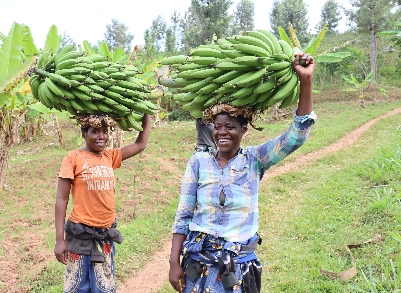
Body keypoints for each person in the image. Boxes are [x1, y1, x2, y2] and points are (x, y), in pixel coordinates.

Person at [169, 52, 317, 293]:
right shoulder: (199, 162)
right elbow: (183, 216)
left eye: (230, 127)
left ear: (243, 129)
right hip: (199, 263)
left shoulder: (255, 160)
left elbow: (296, 137)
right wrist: (173, 262)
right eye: (217, 127)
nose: (222, 133)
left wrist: (306, 81)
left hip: (236, 267)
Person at [54, 113, 151, 293]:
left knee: (103, 288)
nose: (101, 137)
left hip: (104, 235)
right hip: (80, 236)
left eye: (105, 132)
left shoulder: (110, 156)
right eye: (95, 131)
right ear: (84, 133)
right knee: (78, 288)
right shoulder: (73, 158)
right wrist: (59, 240)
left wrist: (146, 114)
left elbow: (140, 144)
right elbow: (61, 199)